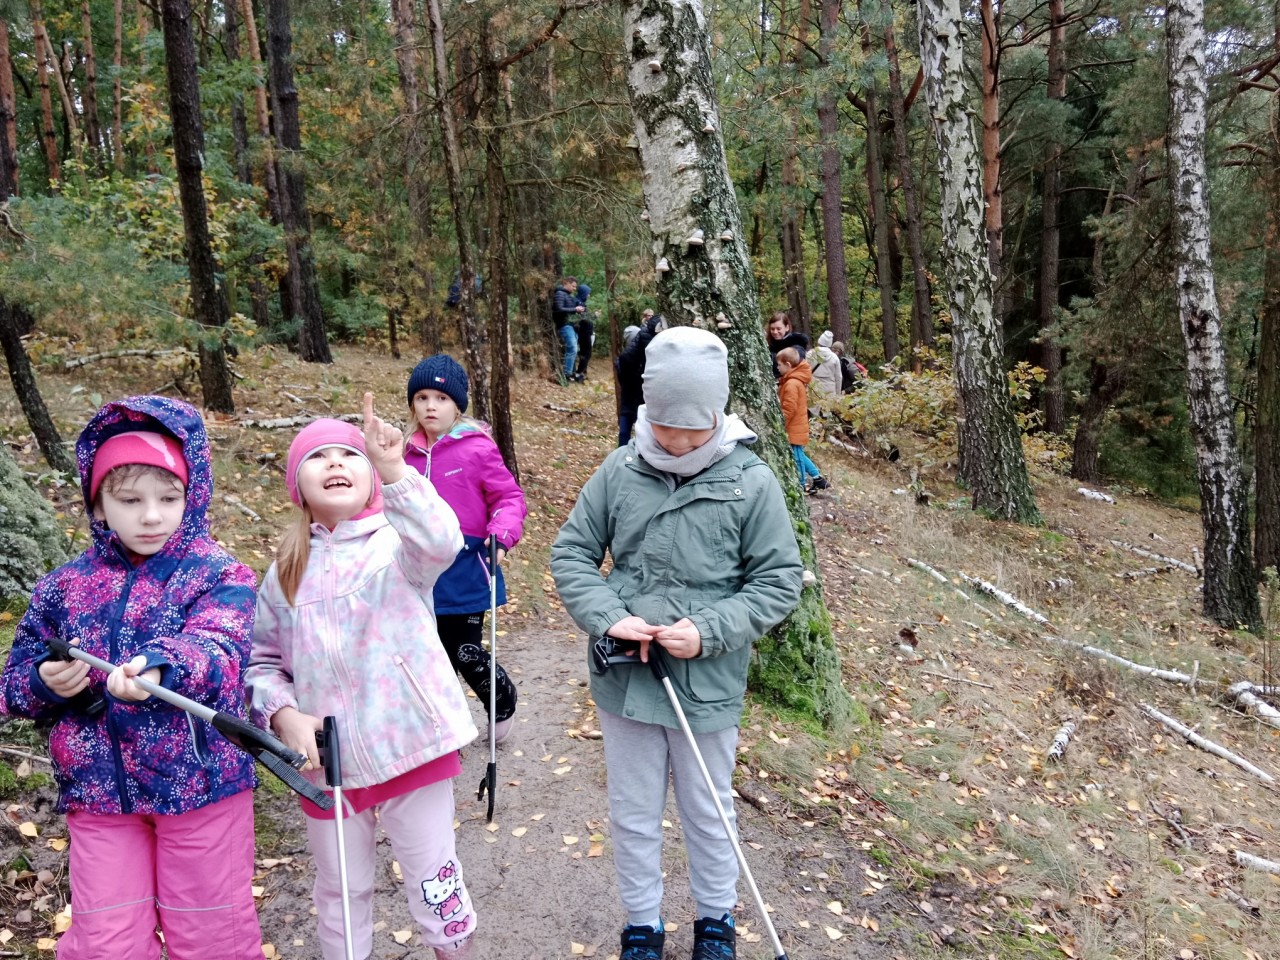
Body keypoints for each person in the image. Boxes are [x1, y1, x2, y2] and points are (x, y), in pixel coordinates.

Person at [551, 327, 804, 960]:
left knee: (709, 811)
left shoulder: (752, 481)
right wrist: (610, 616)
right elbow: (573, 553)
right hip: (627, 679)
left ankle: (715, 923)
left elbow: (778, 580)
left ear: (717, 413)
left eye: (692, 429)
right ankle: (642, 925)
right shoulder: (620, 468)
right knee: (633, 811)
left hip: (707, 683)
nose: (677, 441)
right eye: (664, 425)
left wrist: (709, 630)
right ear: (647, 407)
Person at [0, 395, 263, 960]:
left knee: (213, 938)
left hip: (200, 790)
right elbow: (13, 683)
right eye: (129, 500)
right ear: (97, 505)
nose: (151, 516)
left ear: (192, 497)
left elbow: (218, 646)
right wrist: (45, 682)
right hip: (99, 796)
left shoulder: (220, 574)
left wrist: (161, 667)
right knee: (107, 943)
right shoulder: (63, 587)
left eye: (168, 498)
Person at [247, 397, 479, 960]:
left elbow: (443, 540)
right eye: (317, 456)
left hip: (411, 746)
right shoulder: (284, 573)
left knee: (434, 882)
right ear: (297, 485)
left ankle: (454, 950)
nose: (335, 462)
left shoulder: (398, 545)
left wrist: (396, 469)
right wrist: (281, 712)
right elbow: (261, 663)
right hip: (329, 764)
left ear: (370, 475)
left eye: (349, 454)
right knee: (341, 891)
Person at [405, 354, 526, 742]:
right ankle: (440, 729)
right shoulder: (403, 455)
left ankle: (500, 698)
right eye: (422, 398)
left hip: (467, 567)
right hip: (415, 571)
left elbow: (508, 498)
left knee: (463, 650)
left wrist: (501, 534)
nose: (431, 406)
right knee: (428, 654)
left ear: (457, 405)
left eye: (441, 398)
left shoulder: (476, 449)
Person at [776, 347, 829, 493]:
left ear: (788, 365)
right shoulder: (791, 381)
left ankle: (801, 483)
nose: (777, 368)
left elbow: (789, 408)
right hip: (796, 425)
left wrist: (781, 424)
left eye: (779, 365)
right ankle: (818, 478)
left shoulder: (792, 383)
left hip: (793, 426)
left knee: (797, 456)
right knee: (799, 453)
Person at [614, 311, 667, 447]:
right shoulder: (649, 342)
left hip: (630, 390)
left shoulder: (625, 357)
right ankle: (640, 449)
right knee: (640, 420)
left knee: (627, 417)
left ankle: (622, 450)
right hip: (639, 389)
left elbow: (622, 366)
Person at [552, 276, 586, 383]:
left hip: (571, 326)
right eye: (573, 286)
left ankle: (570, 373)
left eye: (575, 287)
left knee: (573, 350)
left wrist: (579, 310)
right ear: (566, 283)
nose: (575, 289)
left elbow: (569, 309)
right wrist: (575, 309)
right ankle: (567, 374)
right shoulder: (559, 294)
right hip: (564, 325)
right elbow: (558, 309)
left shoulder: (567, 295)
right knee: (572, 348)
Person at [765, 311, 809, 379]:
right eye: (772, 329)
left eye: (778, 329)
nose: (775, 332)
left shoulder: (796, 344)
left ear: (787, 327)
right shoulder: (769, 344)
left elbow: (792, 363)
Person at [809, 330, 842, 399]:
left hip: (813, 388)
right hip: (830, 391)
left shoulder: (810, 354)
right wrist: (838, 394)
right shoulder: (834, 357)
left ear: (819, 341)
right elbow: (838, 377)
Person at [573, 281, 595, 382]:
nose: (589, 295)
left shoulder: (581, 302)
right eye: (587, 293)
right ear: (583, 293)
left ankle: (581, 373)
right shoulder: (578, 303)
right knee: (586, 353)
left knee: (585, 352)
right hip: (583, 332)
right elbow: (584, 318)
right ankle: (579, 373)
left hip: (586, 331)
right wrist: (594, 316)